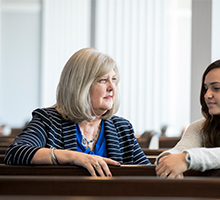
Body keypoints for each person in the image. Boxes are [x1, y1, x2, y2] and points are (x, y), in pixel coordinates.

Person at [5, 47, 150, 176]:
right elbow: (15, 153)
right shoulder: (47, 120)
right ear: (81, 85)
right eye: (103, 80)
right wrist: (74, 157)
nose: (112, 88)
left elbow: (149, 173)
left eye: (114, 79)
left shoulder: (122, 128)